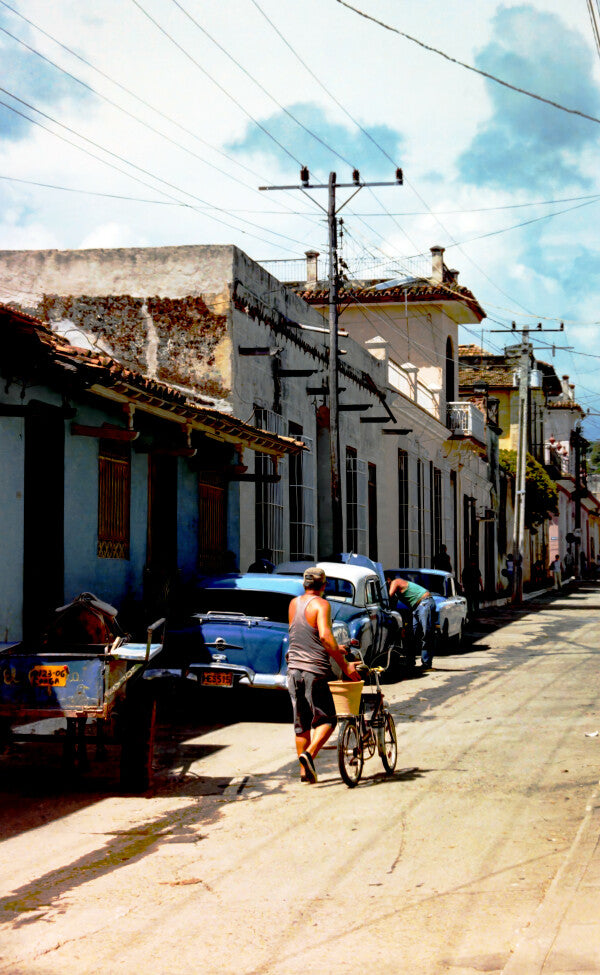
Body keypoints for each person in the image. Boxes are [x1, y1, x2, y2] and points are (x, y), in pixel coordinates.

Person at [287, 566, 361, 784]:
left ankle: (305, 773)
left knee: (302, 723)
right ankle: (309, 755)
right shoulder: (322, 604)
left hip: (293, 670)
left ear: (304, 584)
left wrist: (338, 649)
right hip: (315, 670)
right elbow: (326, 637)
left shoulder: (293, 604)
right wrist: (345, 665)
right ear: (324, 585)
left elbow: (306, 636)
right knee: (328, 718)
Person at [388, 576, 436, 671]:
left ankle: (426, 664)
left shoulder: (395, 582)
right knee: (411, 635)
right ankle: (410, 662)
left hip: (424, 603)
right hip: (416, 607)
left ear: (388, 580)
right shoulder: (398, 591)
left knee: (426, 634)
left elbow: (388, 596)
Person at [462, 557, 484, 622]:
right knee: (475, 602)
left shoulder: (465, 569)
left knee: (469, 602)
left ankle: (470, 614)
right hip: (475, 588)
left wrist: (464, 586)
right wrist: (482, 586)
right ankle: (476, 613)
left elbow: (463, 578)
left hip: (468, 588)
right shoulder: (476, 569)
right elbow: (479, 578)